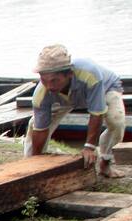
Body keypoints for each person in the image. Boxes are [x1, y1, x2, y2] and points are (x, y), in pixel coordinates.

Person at [24, 44, 126, 178]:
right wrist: (36, 162)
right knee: (34, 125)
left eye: (55, 80)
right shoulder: (42, 94)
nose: (49, 86)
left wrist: (89, 147)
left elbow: (97, 113)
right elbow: (41, 129)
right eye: (44, 80)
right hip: (63, 98)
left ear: (69, 74)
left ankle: (105, 163)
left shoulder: (91, 74)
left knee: (116, 121)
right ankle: (29, 165)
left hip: (105, 88)